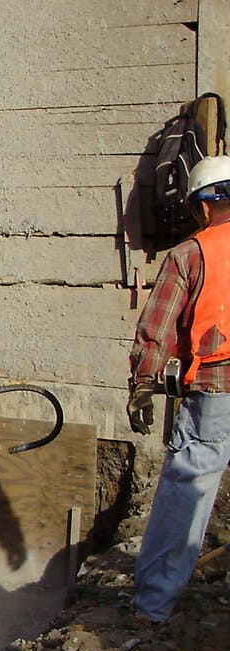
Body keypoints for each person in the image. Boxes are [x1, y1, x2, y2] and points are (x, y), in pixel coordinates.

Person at [127, 155, 230, 626]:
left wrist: (143, 384)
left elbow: (158, 328)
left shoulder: (192, 253)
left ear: (203, 208)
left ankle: (152, 609)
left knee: (186, 490)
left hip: (217, 388)